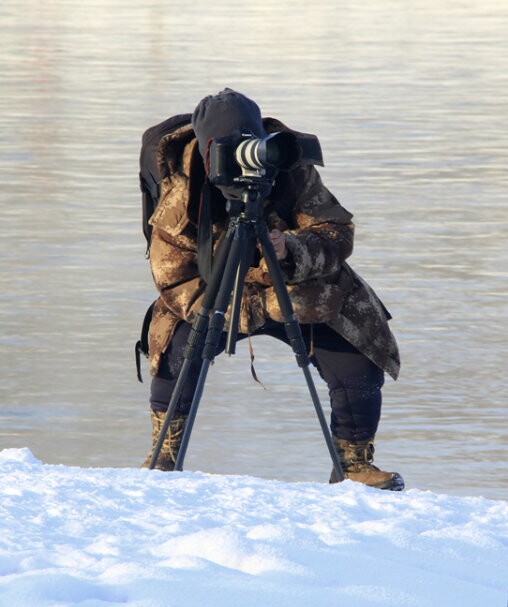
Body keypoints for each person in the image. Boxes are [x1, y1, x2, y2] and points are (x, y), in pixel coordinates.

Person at [140, 88, 403, 490]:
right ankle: (163, 458)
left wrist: (290, 249)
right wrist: (238, 312)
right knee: (175, 348)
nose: (247, 158)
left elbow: (336, 233)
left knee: (359, 352)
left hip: (295, 285)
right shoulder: (182, 187)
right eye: (230, 151)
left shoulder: (287, 163)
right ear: (208, 152)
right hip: (212, 293)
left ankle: (354, 466)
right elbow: (172, 277)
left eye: (251, 145)